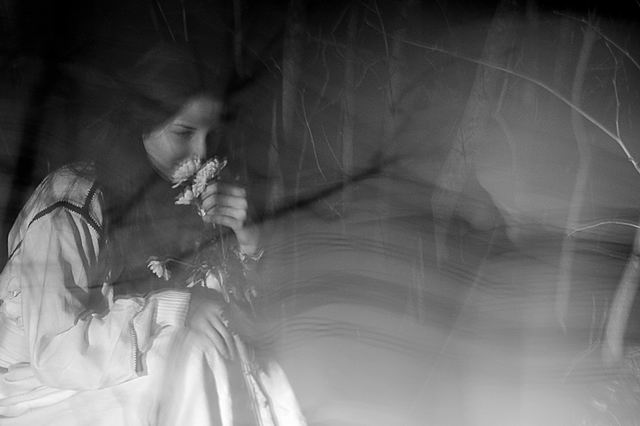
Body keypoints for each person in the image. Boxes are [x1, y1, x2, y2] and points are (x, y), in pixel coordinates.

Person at [0, 43, 306, 425]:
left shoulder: (191, 198)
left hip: (125, 375)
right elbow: (57, 354)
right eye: (184, 132)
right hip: (37, 390)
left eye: (210, 135)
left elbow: (240, 319)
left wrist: (248, 240)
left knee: (241, 355)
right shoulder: (73, 198)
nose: (200, 152)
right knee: (187, 352)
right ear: (141, 123)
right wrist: (176, 309)